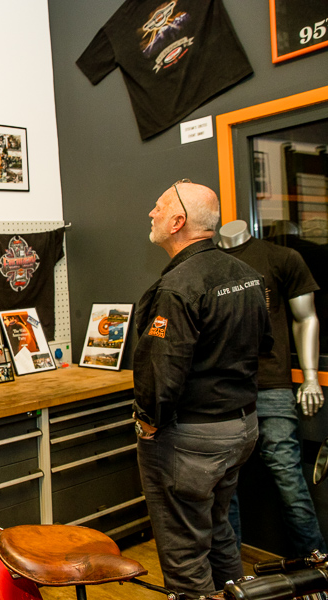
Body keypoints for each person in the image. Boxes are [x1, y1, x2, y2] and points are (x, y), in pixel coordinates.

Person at [133, 180, 272, 597]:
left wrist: (148, 424)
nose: (151, 213)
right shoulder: (248, 276)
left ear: (178, 222)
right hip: (240, 429)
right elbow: (263, 344)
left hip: (192, 440)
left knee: (184, 553)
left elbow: (162, 370)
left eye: (159, 207)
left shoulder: (177, 287)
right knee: (217, 528)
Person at [218, 220, 326, 557]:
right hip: (222, 391)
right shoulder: (207, 265)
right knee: (224, 486)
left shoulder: (280, 257)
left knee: (288, 478)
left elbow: (306, 317)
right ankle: (232, 572)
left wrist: (310, 376)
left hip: (271, 386)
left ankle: (316, 563)